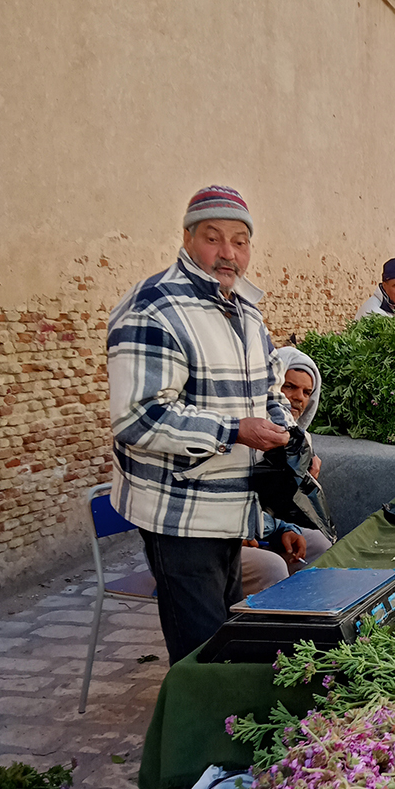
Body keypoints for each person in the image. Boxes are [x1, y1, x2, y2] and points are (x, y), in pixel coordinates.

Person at [108, 185, 292, 664]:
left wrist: (289, 439)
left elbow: (269, 394)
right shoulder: (155, 305)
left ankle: (215, 729)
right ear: (188, 239)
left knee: (223, 645)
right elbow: (138, 418)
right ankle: (189, 737)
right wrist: (234, 430)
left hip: (231, 511)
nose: (228, 253)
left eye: (240, 240)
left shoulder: (246, 312)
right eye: (213, 238)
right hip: (180, 516)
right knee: (202, 656)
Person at [240, 346, 334, 595]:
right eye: (289, 386)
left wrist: (287, 528)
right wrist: (244, 530)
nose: (299, 398)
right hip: (225, 532)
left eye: (307, 392)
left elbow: (285, 504)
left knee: (320, 544)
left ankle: (311, 615)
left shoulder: (301, 444)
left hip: (265, 531)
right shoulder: (247, 433)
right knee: (271, 567)